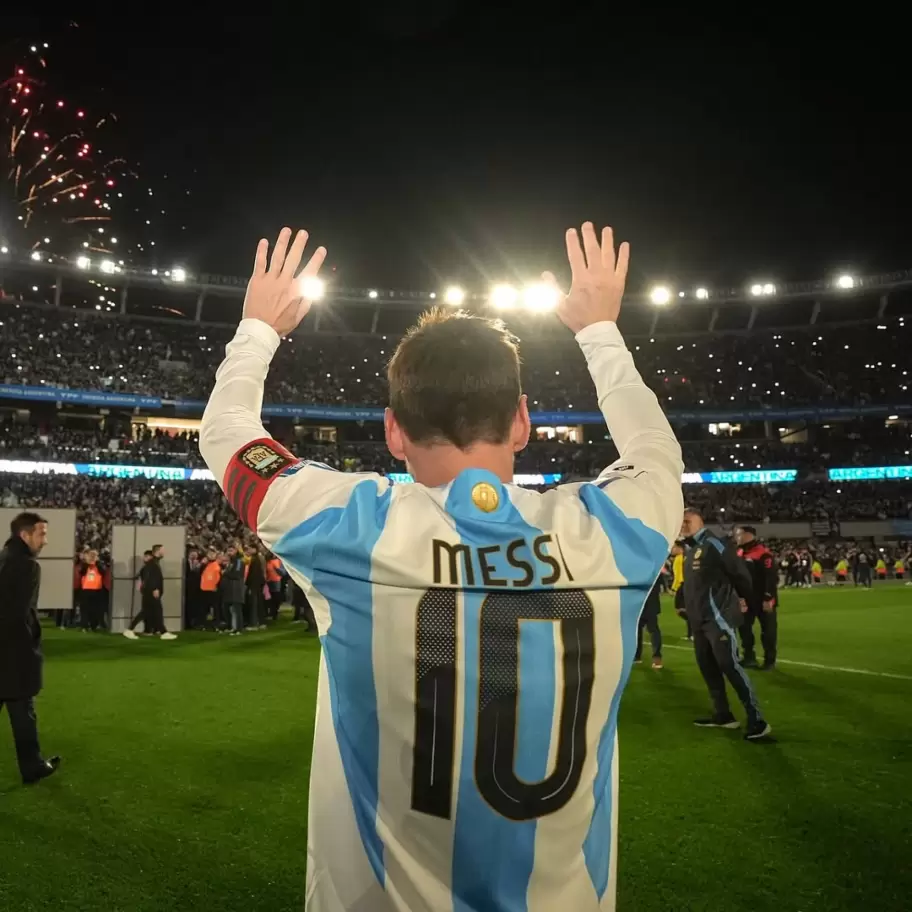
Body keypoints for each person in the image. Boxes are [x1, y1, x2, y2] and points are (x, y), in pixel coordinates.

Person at [200, 223, 684, 911]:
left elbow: (226, 434)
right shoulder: (618, 532)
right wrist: (600, 330)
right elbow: (654, 449)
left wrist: (257, 328)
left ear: (393, 430)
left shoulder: (350, 529)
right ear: (521, 421)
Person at [680, 509, 771, 741]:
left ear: (700, 520)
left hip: (718, 619)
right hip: (699, 622)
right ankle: (723, 714)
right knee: (707, 668)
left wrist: (747, 602)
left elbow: (739, 573)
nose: (682, 525)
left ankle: (757, 720)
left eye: (687, 521)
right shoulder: (690, 550)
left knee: (730, 666)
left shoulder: (715, 544)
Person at [0, 512, 61, 785]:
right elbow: (18, 615)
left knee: (23, 710)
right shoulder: (27, 567)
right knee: (23, 710)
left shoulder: (2, 559)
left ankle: (33, 764)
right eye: (41, 534)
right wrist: (31, 646)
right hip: (13, 654)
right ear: (24, 535)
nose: (45, 541)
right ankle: (32, 766)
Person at [734, 526, 778, 670]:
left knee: (768, 631)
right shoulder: (739, 554)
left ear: (749, 535)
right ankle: (749, 657)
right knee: (744, 630)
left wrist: (768, 598)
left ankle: (769, 660)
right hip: (746, 600)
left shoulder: (762, 554)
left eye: (739, 534)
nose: (737, 537)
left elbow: (770, 578)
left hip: (762, 599)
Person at [124, 545, 177, 640]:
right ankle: (130, 630)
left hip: (150, 591)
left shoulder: (154, 563)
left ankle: (162, 632)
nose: (164, 552)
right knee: (151, 611)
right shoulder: (152, 563)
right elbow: (150, 578)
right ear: (157, 551)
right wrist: (155, 589)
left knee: (150, 612)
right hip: (151, 592)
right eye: (163, 550)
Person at [633, 577, 663, 668]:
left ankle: (656, 658)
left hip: (647, 603)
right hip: (642, 604)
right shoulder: (653, 568)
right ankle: (637, 656)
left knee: (652, 630)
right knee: (638, 631)